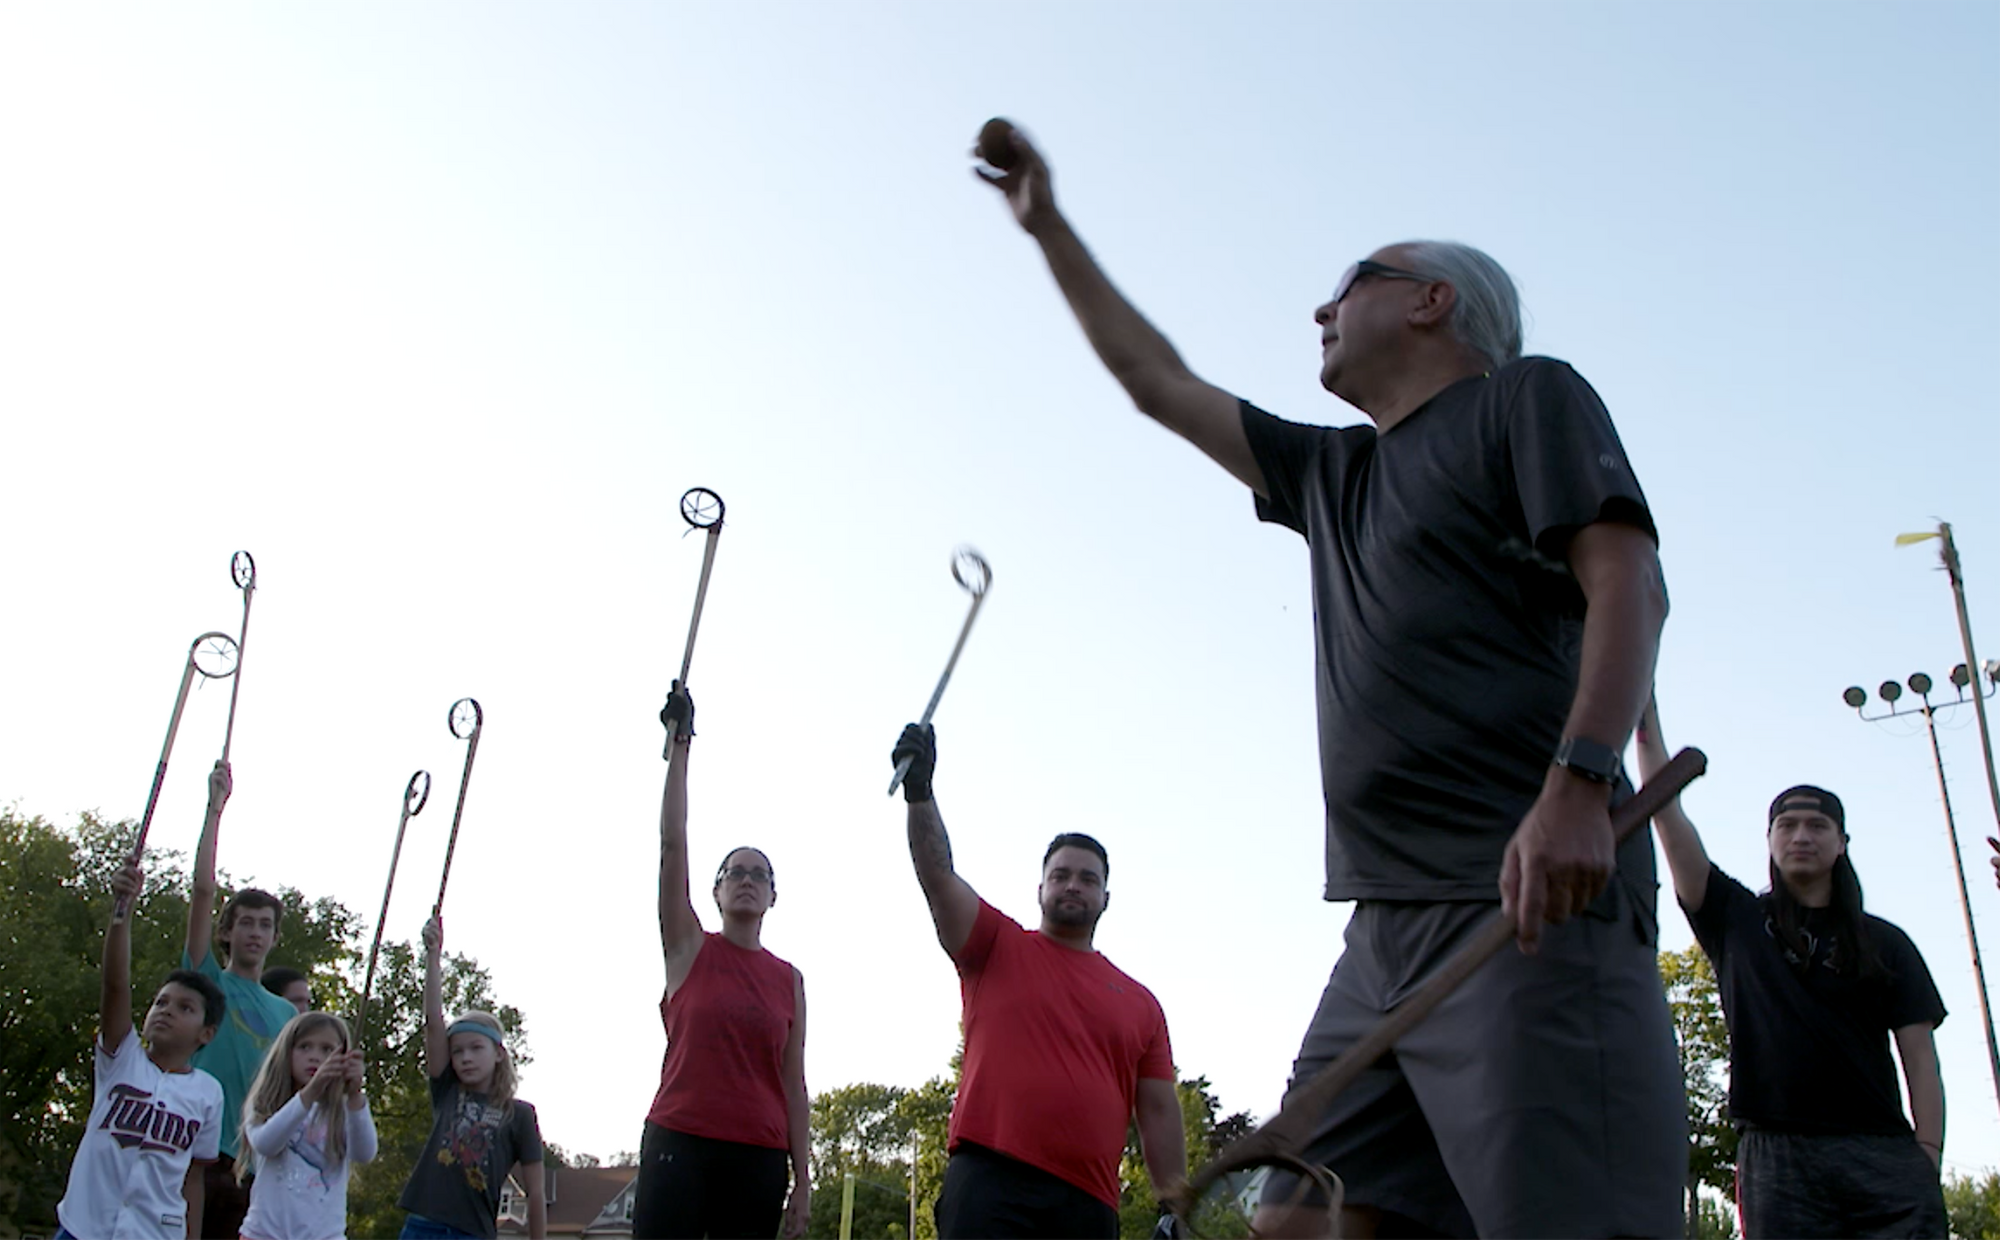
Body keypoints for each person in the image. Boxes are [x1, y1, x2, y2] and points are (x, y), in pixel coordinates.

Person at [977, 124, 1681, 1240]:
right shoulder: (1329, 472)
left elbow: (1630, 584)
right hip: (1380, 931)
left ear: (1430, 301)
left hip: (1526, 894)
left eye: (1348, 282)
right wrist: (1048, 227)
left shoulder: (1525, 401)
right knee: (1296, 1221)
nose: (1319, 308)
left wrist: (1581, 782)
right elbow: (1154, 382)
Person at [1639, 698, 1948, 1237]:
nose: (1801, 836)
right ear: (1770, 840)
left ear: (1841, 843)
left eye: (1817, 825)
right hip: (1776, 1153)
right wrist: (1644, 714)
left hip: (1883, 1153)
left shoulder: (1885, 942)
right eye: (1787, 825)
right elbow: (1666, 812)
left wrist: (1927, 1151)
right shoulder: (1733, 918)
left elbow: (1920, 1057)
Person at [891, 723, 1185, 1240]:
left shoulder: (1142, 1004)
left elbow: (1158, 1109)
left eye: (1088, 878)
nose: (1074, 884)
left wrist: (1176, 1206)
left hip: (1088, 1200)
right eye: (1062, 874)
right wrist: (921, 795)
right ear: (1041, 888)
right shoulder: (995, 944)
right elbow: (938, 876)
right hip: (989, 1178)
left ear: (1106, 898)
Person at [632, 682, 811, 1240]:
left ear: (773, 898)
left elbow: (793, 1081)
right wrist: (681, 745)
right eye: (736, 871)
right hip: (678, 1141)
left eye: (761, 875)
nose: (748, 881)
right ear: (716, 891)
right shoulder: (689, 946)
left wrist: (802, 1178)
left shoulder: (789, 980)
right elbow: (672, 844)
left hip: (758, 1156)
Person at [55, 860, 225, 1240]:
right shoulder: (122, 1059)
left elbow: (193, 1177)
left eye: (185, 1008)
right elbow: (115, 985)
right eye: (161, 1003)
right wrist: (121, 911)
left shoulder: (208, 1093)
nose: (166, 1012)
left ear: (207, 1033)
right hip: (85, 1226)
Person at [183, 760, 304, 1240]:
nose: (255, 932)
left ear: (274, 937)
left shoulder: (285, 1016)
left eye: (265, 925)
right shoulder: (207, 983)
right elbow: (201, 891)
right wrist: (215, 810)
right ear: (227, 931)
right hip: (193, 1153)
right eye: (246, 923)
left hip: (252, 1167)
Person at [397, 915, 547, 1240]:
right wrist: (433, 957)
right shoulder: (448, 1091)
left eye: (475, 1048)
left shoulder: (520, 1114)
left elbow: (535, 1192)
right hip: (424, 1225)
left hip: (473, 1232)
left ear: (498, 1054)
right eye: (457, 1051)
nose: (465, 1057)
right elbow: (433, 1022)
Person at [238, 1010, 378, 1240]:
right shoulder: (265, 1101)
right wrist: (310, 1093)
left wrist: (355, 1096)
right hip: (264, 1234)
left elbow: (364, 1153)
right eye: (304, 1047)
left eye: (327, 1049)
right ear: (286, 1053)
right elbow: (265, 1144)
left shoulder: (344, 1108)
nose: (315, 1057)